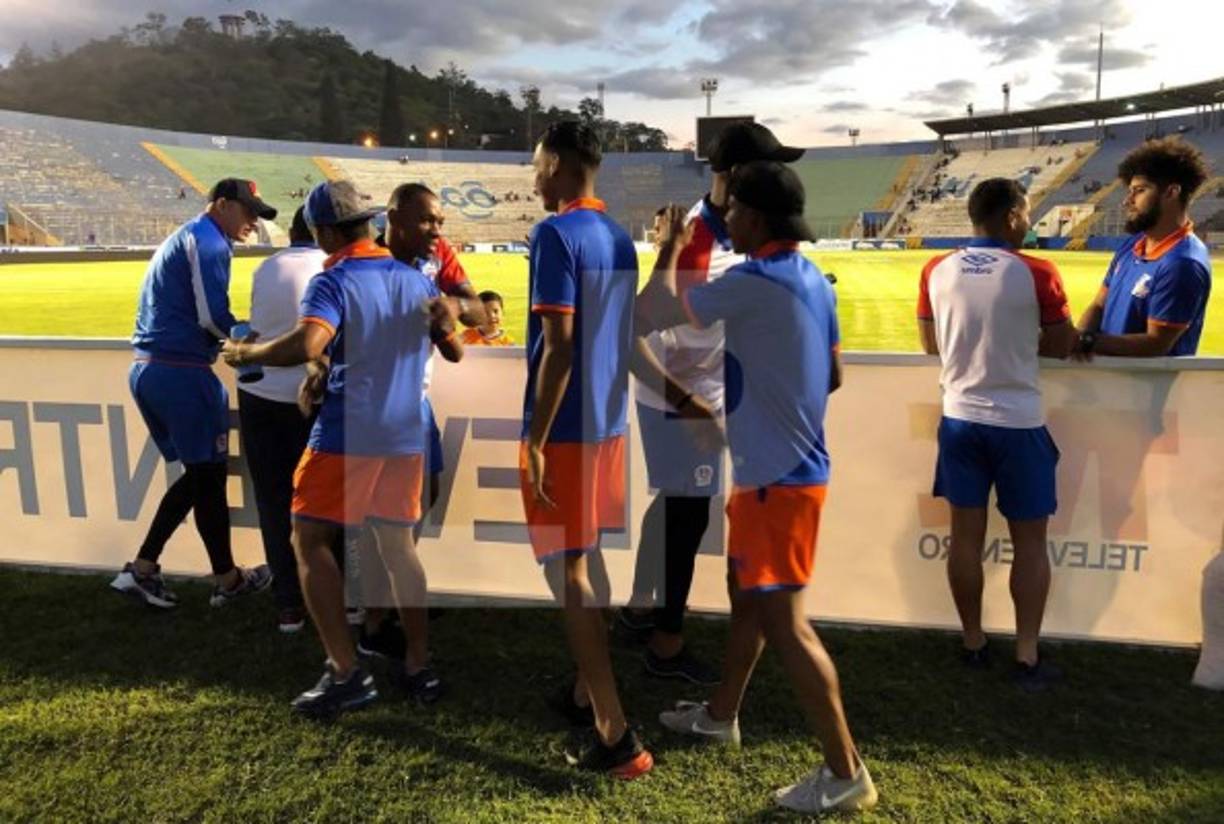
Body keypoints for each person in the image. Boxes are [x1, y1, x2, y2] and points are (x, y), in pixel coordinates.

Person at [636, 161, 876, 814]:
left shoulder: (752, 281)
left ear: (758, 218)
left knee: (787, 625)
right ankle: (721, 715)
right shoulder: (810, 280)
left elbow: (652, 310)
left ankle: (845, 770)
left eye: (734, 209)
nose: (727, 218)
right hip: (779, 475)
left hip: (777, 481)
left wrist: (669, 247)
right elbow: (832, 377)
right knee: (746, 600)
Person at [221, 180, 462, 718]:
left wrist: (246, 351)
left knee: (308, 540)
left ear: (327, 232)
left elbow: (309, 343)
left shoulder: (332, 278)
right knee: (399, 550)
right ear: (370, 223)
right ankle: (419, 665)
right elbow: (453, 351)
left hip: (348, 433)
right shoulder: (411, 277)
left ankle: (346, 672)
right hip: (403, 434)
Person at [620, 123, 805, 687]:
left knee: (676, 506)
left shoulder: (726, 234)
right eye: (766, 167)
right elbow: (640, 327)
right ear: (733, 177)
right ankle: (666, 644)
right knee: (688, 514)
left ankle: (641, 608)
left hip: (696, 393)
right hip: (680, 396)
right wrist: (690, 402)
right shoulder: (700, 241)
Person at [521, 121, 652, 778]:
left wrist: (536, 438)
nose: (534, 176)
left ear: (565, 164)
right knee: (585, 559)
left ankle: (616, 734)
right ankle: (584, 690)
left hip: (568, 431)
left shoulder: (556, 234)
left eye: (539, 162)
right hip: (607, 426)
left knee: (567, 573)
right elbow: (623, 341)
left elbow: (562, 345)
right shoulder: (619, 239)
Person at [916, 178, 1077, 690]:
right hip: (1019, 422)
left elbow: (927, 343)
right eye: (1027, 214)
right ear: (1011, 216)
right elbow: (1061, 345)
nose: (1029, 223)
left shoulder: (936, 269)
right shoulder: (1037, 271)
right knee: (1029, 543)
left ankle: (973, 643)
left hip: (959, 418)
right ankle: (1026, 655)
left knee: (965, 537)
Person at [111, 178, 276, 609]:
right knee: (207, 478)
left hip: (153, 367)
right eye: (248, 210)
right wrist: (251, 344)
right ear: (221, 205)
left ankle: (145, 570)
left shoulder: (189, 234)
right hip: (181, 371)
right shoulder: (209, 240)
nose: (254, 222)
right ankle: (227, 580)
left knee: (202, 476)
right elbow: (212, 315)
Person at [352, 182, 487, 662]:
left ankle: (393, 595)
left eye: (440, 221)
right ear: (394, 218)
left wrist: (451, 309)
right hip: (372, 405)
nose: (438, 230)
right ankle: (375, 618)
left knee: (424, 495)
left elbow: (474, 306)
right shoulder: (363, 259)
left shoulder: (438, 255)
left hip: (415, 398)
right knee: (380, 517)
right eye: (428, 221)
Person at [236, 206, 328, 633]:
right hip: (313, 398)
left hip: (260, 395)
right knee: (324, 504)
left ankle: (288, 605)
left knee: (273, 503)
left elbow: (255, 330)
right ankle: (336, 601)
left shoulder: (266, 267)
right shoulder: (331, 267)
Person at [1073, 137, 1212, 358]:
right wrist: (1080, 337)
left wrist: (1086, 342)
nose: (1127, 201)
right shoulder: (1133, 243)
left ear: (1171, 192)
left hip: (1147, 388)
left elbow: (1155, 344)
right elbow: (1099, 305)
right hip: (1108, 380)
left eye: (1139, 190)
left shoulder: (1182, 263)